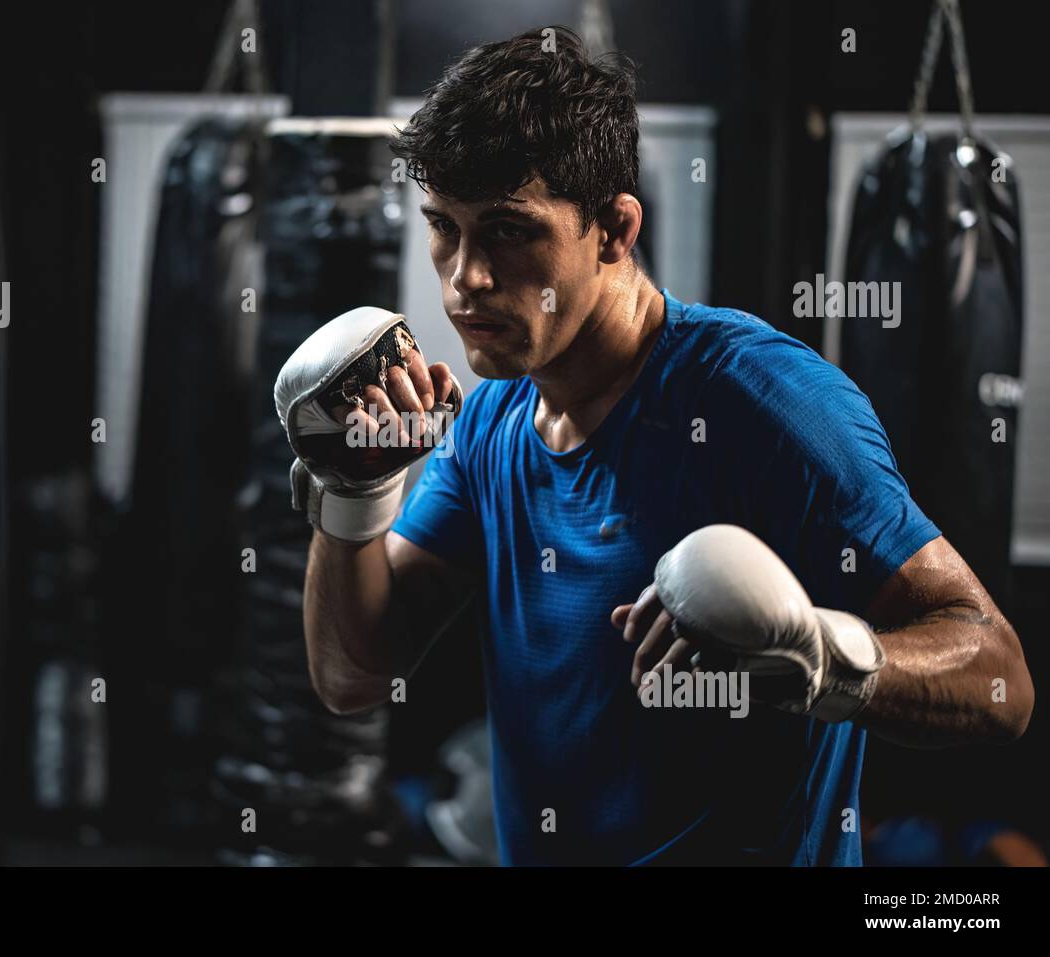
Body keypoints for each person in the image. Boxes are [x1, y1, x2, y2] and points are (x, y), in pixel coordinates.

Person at [273, 26, 1034, 865]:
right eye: (444, 228)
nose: (464, 279)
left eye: (508, 231)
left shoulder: (765, 403)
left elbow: (1000, 678)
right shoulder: (491, 421)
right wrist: (352, 495)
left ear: (614, 228)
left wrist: (824, 658)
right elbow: (351, 675)